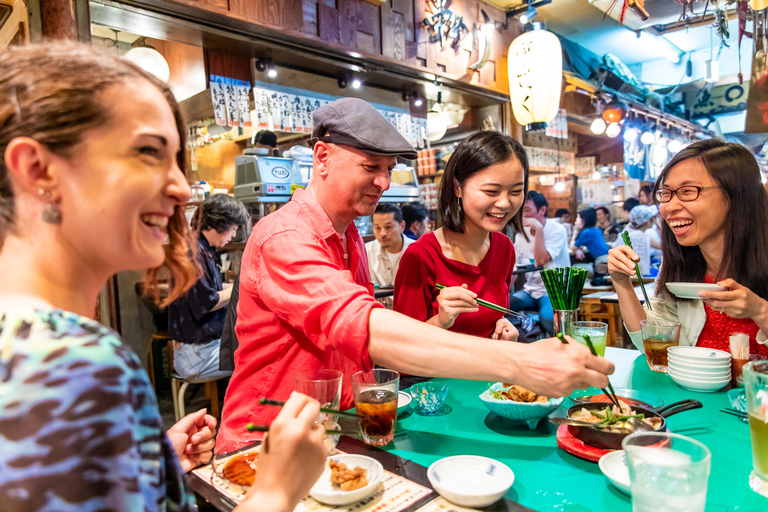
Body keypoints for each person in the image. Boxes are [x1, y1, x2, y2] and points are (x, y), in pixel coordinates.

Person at [0, 42, 326, 512]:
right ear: (38, 170)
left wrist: (146, 462)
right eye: (147, 152)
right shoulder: (76, 363)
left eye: (176, 160)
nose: (177, 187)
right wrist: (277, 489)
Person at [220, 99, 614, 441]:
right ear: (322, 158)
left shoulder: (348, 237)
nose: (383, 181)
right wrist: (523, 363)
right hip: (266, 439)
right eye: (370, 165)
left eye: (389, 168)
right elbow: (364, 326)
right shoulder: (285, 235)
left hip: (331, 429)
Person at [608, 139, 768, 358]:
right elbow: (652, 342)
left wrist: (760, 310)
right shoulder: (680, 265)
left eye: (688, 191)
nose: (670, 207)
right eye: (666, 193)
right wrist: (622, 283)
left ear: (736, 195)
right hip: (692, 392)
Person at [393, 131, 523, 340]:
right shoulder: (421, 255)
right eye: (491, 191)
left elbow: (494, 320)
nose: (505, 203)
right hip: (438, 372)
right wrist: (441, 321)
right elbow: (399, 344)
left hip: (488, 369)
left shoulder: (504, 247)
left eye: (516, 191)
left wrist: (503, 332)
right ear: (457, 187)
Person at [168, 193, 247, 381]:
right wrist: (242, 286)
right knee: (260, 362)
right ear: (218, 223)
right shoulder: (193, 253)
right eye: (233, 229)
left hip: (203, 349)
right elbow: (207, 302)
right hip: (196, 356)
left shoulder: (203, 249)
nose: (234, 235)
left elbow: (213, 290)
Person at [509, 191, 571, 335]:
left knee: (548, 318)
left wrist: (538, 229)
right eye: (521, 211)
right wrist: (503, 293)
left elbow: (541, 260)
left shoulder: (557, 230)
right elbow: (515, 268)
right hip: (530, 291)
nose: (523, 215)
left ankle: (560, 349)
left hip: (554, 291)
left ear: (542, 210)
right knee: (502, 307)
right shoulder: (520, 235)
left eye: (527, 210)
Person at [366, 203, 414, 289]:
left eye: (388, 227)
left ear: (402, 226)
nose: (382, 234)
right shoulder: (366, 251)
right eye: (377, 228)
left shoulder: (417, 251)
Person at [612, 204, 656, 276]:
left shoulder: (624, 233)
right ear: (647, 220)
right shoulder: (643, 237)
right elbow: (662, 246)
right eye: (653, 218)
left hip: (624, 274)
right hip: (640, 275)